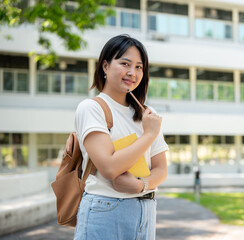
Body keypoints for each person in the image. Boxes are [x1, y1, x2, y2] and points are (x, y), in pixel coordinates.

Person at [73, 34, 169, 240]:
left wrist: (140, 185)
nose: (132, 73)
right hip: (106, 209)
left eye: (139, 67)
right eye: (125, 63)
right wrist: (149, 135)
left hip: (146, 209)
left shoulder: (146, 114)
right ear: (105, 66)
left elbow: (161, 169)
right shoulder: (92, 108)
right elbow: (109, 168)